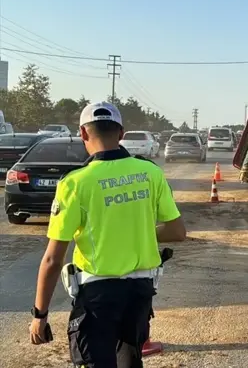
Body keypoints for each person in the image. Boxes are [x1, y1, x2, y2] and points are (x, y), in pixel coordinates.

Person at [29, 102, 187, 368]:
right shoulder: (150, 173)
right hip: (140, 294)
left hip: (97, 297)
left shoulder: (75, 183)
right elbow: (177, 231)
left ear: (83, 133)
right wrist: (139, 233)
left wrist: (39, 315)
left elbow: (52, 260)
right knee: (130, 361)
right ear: (121, 133)